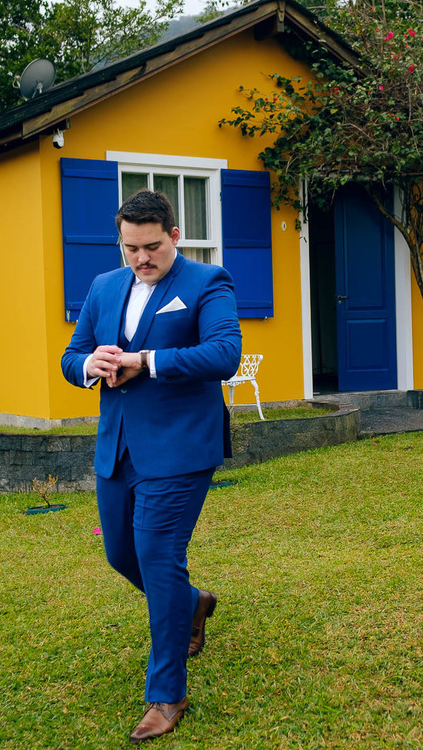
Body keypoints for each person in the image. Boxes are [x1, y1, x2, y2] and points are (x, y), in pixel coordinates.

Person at [60, 189, 242, 743]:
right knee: (121, 555)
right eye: (131, 248)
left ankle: (167, 694)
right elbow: (71, 356)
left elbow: (224, 355)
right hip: (117, 447)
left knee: (159, 559)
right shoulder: (103, 286)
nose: (141, 258)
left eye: (152, 247)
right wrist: (88, 364)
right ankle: (193, 604)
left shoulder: (207, 282)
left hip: (180, 448)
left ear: (174, 236)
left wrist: (146, 360)